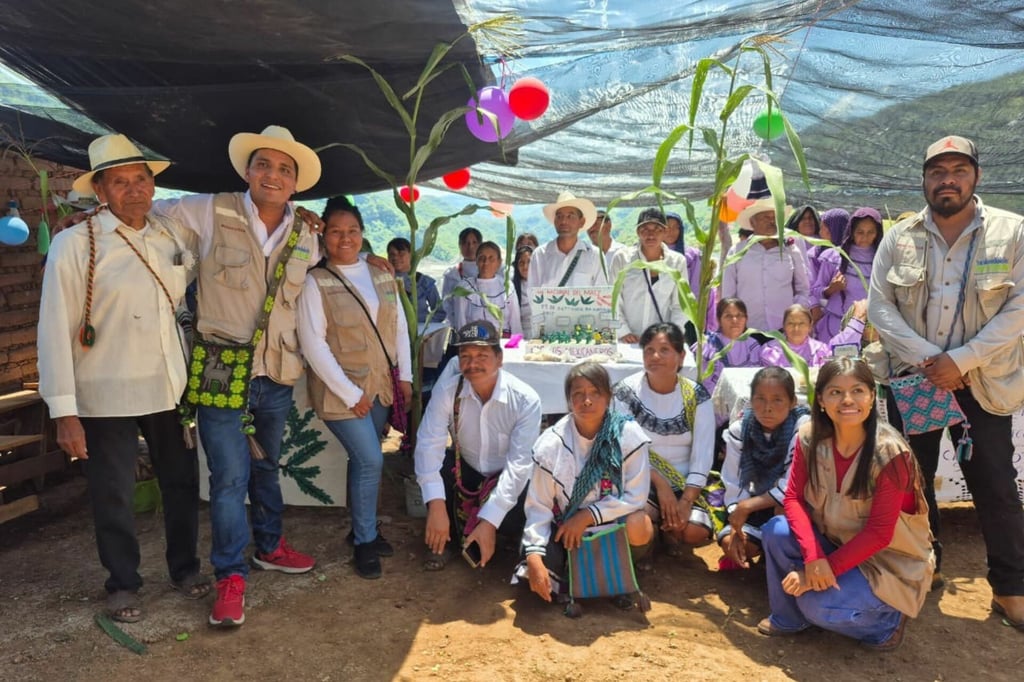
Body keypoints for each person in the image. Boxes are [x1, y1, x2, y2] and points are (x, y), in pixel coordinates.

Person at [151, 125, 321, 627]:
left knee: (266, 467)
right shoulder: (206, 209)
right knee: (228, 479)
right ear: (248, 171)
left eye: (284, 170)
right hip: (223, 375)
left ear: (295, 185)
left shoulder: (306, 231)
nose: (273, 175)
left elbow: (324, 269)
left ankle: (269, 546)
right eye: (264, 165)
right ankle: (230, 576)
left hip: (276, 374)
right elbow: (148, 219)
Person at [37, 133, 207, 623]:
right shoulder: (76, 244)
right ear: (101, 192)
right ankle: (123, 583)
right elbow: (52, 330)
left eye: (141, 179)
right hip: (104, 393)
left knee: (180, 482)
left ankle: (185, 568)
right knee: (112, 492)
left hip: (168, 387)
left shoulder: (171, 235)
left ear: (153, 185)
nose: (133, 190)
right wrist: (63, 412)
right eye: (119, 182)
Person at [868, 135, 1024, 625]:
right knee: (911, 480)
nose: (947, 179)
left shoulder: (1012, 232)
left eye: (958, 169)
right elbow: (879, 306)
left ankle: (1011, 589)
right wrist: (931, 359)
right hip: (916, 380)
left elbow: (1019, 309)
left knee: (996, 485)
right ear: (925, 179)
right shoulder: (900, 236)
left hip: (981, 383)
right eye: (938, 171)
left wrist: (962, 359)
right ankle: (924, 564)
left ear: (975, 176)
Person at [758, 358, 933, 651]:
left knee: (816, 605)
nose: (847, 400)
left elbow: (879, 533)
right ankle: (790, 616)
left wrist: (822, 569)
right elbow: (793, 498)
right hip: (835, 545)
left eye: (858, 391)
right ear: (821, 400)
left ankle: (887, 622)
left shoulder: (890, 453)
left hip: (887, 565)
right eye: (835, 392)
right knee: (776, 530)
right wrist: (814, 559)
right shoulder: (809, 437)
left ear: (872, 396)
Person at [297, 197, 413, 580]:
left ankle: (362, 528)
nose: (344, 239)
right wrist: (351, 395)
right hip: (341, 391)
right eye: (335, 231)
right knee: (370, 460)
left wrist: (406, 376)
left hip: (380, 385)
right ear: (323, 235)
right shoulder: (315, 281)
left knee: (363, 461)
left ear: (363, 234)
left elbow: (397, 328)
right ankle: (365, 541)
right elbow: (314, 344)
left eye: (352, 231)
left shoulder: (381, 272)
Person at [522, 361, 654, 603]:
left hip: (613, 526)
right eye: (578, 394)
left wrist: (586, 517)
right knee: (540, 577)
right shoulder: (551, 444)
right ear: (568, 400)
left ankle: (622, 568)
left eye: (595, 392)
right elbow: (538, 505)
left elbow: (636, 496)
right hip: (566, 529)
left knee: (639, 523)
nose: (587, 401)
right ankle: (588, 576)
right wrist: (533, 554)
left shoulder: (628, 435)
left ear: (608, 396)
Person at [415, 320, 542, 570]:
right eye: (465, 356)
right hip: (469, 473)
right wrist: (436, 506)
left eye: (482, 355)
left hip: (505, 479)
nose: (472, 364)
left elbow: (518, 467)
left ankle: (504, 537)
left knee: (530, 492)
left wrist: (490, 520)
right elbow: (429, 444)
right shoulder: (449, 391)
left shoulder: (525, 400)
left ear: (499, 358)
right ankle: (446, 538)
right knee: (441, 469)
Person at [613, 323, 718, 560]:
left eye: (664, 350)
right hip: (640, 477)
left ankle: (667, 528)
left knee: (695, 531)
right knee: (636, 524)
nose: (655, 356)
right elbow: (624, 449)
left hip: (684, 482)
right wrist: (661, 486)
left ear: (681, 356)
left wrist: (686, 500)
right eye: (649, 350)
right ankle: (650, 540)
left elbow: (702, 454)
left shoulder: (697, 396)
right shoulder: (625, 392)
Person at [719, 368, 810, 570]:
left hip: (791, 504)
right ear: (750, 400)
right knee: (732, 543)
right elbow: (734, 481)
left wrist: (747, 507)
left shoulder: (803, 429)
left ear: (793, 402)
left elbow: (791, 486)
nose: (767, 408)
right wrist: (736, 519)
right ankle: (763, 552)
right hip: (754, 503)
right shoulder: (739, 430)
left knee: (783, 511)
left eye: (777, 400)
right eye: (760, 399)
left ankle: (783, 563)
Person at [721, 198, 813, 334]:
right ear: (753, 222)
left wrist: (796, 313)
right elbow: (729, 295)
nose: (771, 221)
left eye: (774, 217)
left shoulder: (791, 250)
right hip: (747, 330)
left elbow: (803, 289)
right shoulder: (737, 252)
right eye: (766, 217)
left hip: (784, 329)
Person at [608, 209, 691, 343]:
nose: (651, 234)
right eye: (645, 229)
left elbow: (680, 304)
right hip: (628, 339)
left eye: (657, 229)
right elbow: (613, 299)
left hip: (662, 340)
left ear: (665, 232)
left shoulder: (677, 261)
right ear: (638, 232)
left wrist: (673, 334)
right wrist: (623, 331)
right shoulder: (623, 258)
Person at [813, 207, 883, 340]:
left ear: (877, 233)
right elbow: (815, 290)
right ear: (851, 232)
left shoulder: (882, 261)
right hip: (834, 329)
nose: (865, 237)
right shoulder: (835, 257)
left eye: (871, 232)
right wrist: (831, 289)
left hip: (868, 332)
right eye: (860, 232)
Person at [529, 191, 604, 288]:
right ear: (555, 221)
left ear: (582, 222)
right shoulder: (540, 255)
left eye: (570, 216)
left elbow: (602, 296)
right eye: (559, 216)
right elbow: (532, 294)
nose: (564, 221)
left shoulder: (595, 256)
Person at [447, 241, 522, 337]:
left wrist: (516, 346)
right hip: (474, 342)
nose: (486, 262)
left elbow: (515, 323)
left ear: (499, 262)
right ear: (476, 261)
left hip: (503, 341)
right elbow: (460, 322)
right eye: (482, 258)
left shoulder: (507, 286)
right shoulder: (464, 288)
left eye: (491, 258)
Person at [698, 297, 763, 396]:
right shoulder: (708, 345)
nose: (734, 320)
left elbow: (755, 377)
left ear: (746, 319)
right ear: (719, 320)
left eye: (739, 315)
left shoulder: (752, 346)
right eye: (728, 316)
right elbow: (705, 382)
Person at [386, 236, 444, 324]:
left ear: (411, 255)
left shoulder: (424, 282)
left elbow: (440, 312)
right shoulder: (383, 282)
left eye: (401, 254)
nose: (396, 258)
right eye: (392, 254)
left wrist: (424, 328)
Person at [759, 304, 831, 368]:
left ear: (810, 326)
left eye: (801, 323)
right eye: (791, 323)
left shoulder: (821, 350)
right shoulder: (770, 350)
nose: (796, 328)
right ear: (784, 325)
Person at [440, 227, 482, 299]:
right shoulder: (452, 275)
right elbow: (446, 304)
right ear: (459, 246)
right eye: (465, 243)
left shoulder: (493, 271)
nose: (470, 246)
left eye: (474, 242)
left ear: (481, 245)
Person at [785, 205, 823, 281]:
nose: (807, 221)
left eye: (810, 217)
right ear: (796, 223)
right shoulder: (788, 243)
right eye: (803, 218)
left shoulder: (825, 242)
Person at [586, 210, 626, 275]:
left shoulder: (624, 253)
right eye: (588, 225)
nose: (591, 228)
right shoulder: (584, 255)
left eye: (595, 223)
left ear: (608, 225)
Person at [512, 245, 534, 336]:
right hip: (519, 336)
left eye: (529, 262)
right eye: (521, 263)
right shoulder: (512, 287)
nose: (525, 267)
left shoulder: (543, 284)